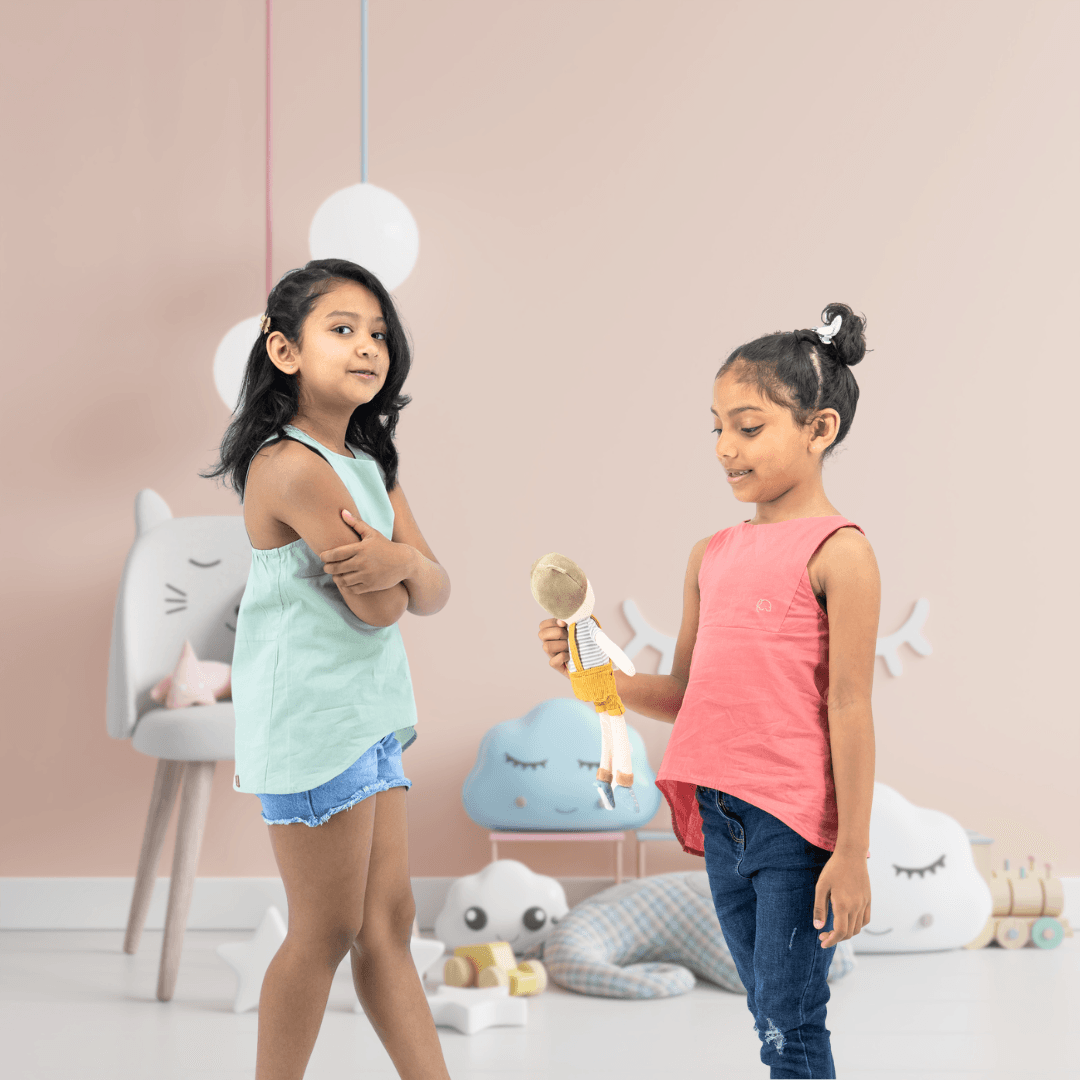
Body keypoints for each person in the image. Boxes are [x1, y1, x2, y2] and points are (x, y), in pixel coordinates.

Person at [537, 303, 878, 1079]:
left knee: (793, 1022)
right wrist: (592, 676)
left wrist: (852, 852)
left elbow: (850, 706)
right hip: (723, 815)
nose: (726, 448)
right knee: (766, 1009)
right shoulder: (711, 553)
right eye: (716, 427)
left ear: (819, 429)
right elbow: (690, 692)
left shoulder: (841, 553)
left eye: (749, 427)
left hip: (793, 821)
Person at [203, 258, 452, 1080]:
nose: (367, 347)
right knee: (327, 930)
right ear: (283, 352)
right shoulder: (293, 467)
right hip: (314, 722)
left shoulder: (369, 464)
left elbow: (436, 588)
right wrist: (402, 564)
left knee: (387, 922)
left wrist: (402, 562)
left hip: (368, 714)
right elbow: (382, 607)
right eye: (341, 330)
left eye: (378, 333)